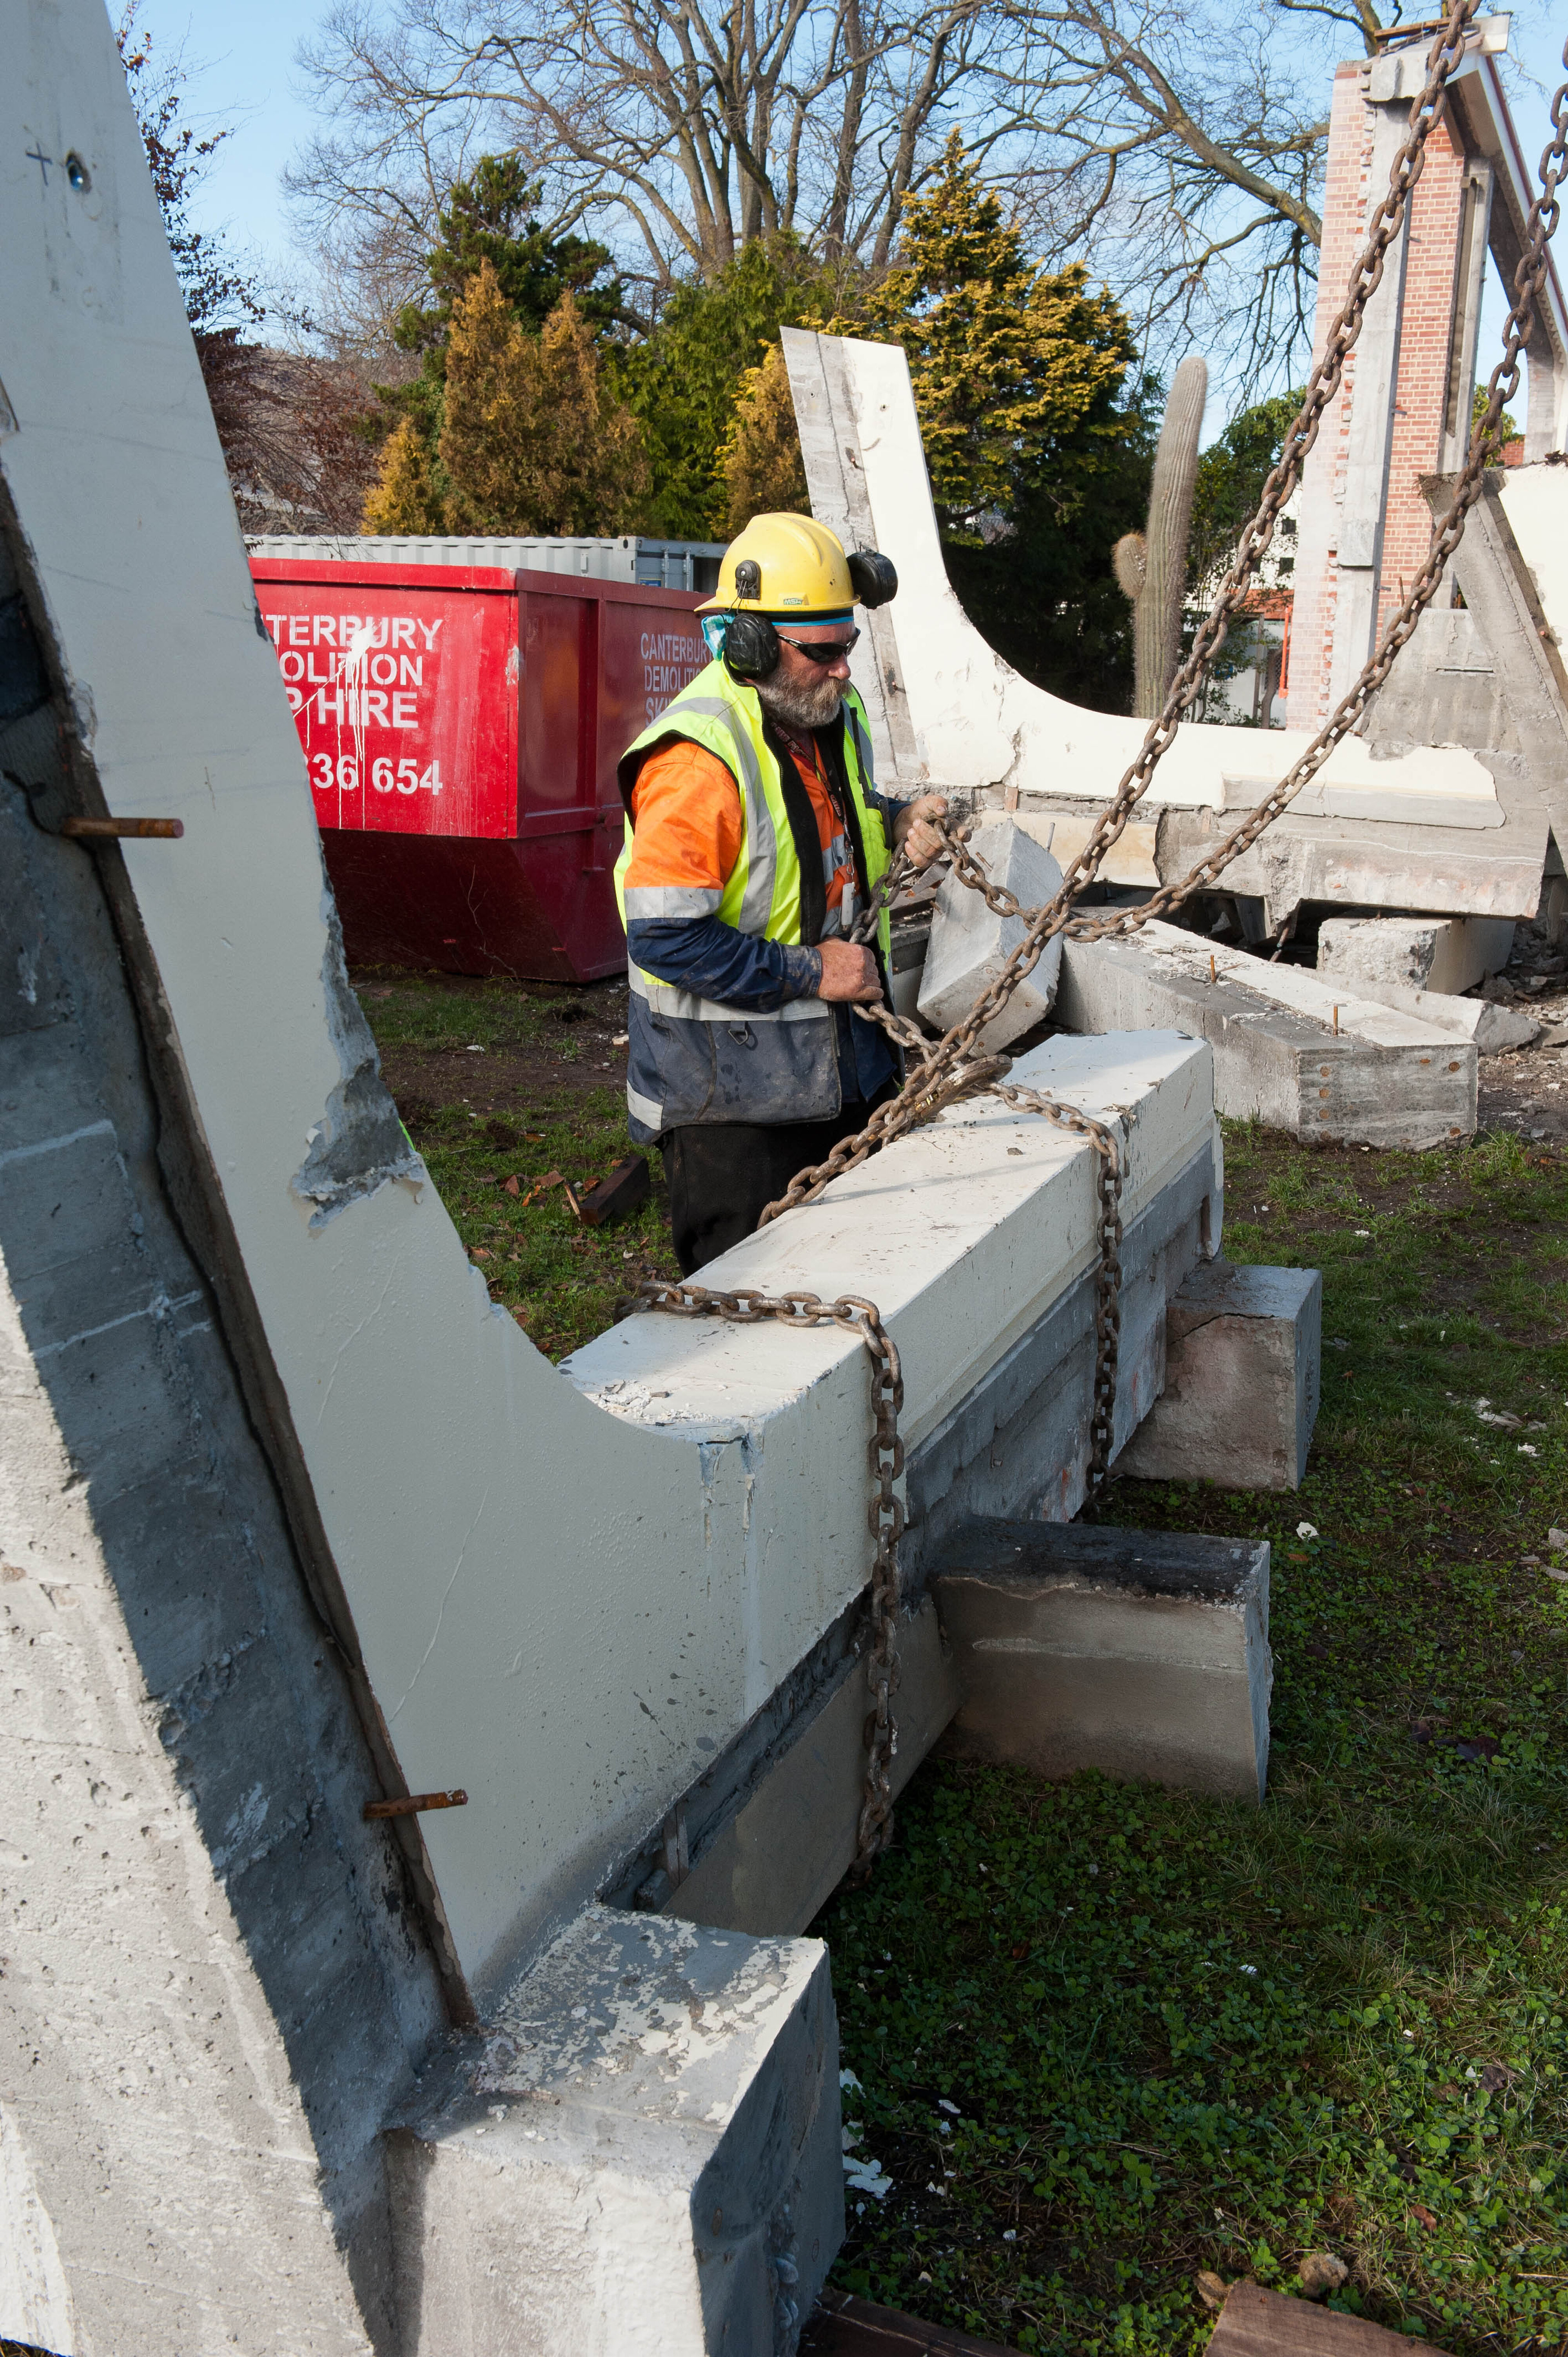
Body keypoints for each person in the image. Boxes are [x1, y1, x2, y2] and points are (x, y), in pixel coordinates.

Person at [614, 512, 948, 1273]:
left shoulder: (828, 716)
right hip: (735, 1112)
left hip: (844, 1077)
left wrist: (894, 822)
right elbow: (665, 939)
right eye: (824, 654)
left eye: (849, 648)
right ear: (752, 646)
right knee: (752, 1335)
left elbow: (818, 827)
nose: (843, 671)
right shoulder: (695, 763)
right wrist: (813, 972)